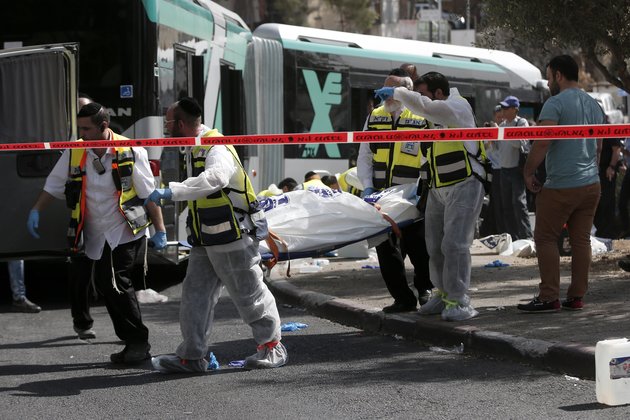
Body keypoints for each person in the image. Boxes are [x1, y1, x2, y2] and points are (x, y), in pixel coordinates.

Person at [147, 97, 287, 373]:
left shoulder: (216, 146)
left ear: (181, 124)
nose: (166, 130)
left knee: (250, 294)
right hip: (207, 238)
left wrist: (172, 191)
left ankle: (272, 347)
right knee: (195, 297)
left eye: (168, 124)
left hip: (233, 236)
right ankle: (191, 356)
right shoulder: (194, 147)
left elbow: (216, 179)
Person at [26, 102, 167, 363]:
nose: (82, 134)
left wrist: (160, 229)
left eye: (87, 129)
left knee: (116, 280)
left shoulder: (131, 149)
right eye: (79, 128)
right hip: (94, 232)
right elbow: (53, 185)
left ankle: (137, 342)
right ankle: (132, 341)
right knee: (106, 283)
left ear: (104, 126)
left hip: (125, 228)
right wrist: (36, 210)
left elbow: (149, 193)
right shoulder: (76, 151)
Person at [374, 71, 487, 321]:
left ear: (438, 93)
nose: (419, 101)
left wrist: (399, 92)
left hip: (464, 183)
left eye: (423, 94)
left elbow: (427, 107)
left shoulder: (457, 107)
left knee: (455, 245)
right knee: (434, 246)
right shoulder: (429, 116)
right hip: (437, 187)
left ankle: (458, 299)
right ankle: (443, 293)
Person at [518, 55, 605, 312]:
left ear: (558, 75)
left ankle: (549, 297)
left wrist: (528, 171)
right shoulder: (594, 104)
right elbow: (599, 146)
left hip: (561, 185)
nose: (547, 82)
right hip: (591, 184)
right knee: (581, 241)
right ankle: (576, 297)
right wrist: (592, 174)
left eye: (548, 76)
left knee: (545, 237)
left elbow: (543, 141)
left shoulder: (554, 104)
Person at [359, 71, 432, 313]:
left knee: (420, 248)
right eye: (384, 89)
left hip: (412, 196)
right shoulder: (375, 117)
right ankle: (403, 298)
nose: (386, 95)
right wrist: (367, 185)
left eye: (392, 90)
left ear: (407, 92)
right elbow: (365, 155)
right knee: (386, 250)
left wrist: (425, 190)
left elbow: (428, 156)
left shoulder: (421, 115)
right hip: (382, 197)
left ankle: (425, 290)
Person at [496, 95, 533, 240]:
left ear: (515, 109)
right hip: (504, 169)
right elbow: (498, 147)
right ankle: (512, 237)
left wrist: (503, 133)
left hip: (516, 170)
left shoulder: (521, 123)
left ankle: (527, 236)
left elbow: (520, 144)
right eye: (502, 107)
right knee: (506, 206)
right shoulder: (503, 126)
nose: (503, 111)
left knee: (518, 203)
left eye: (506, 108)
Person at [593, 119, 622, 239]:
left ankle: (608, 232)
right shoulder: (591, 128)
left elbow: (616, 150)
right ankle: (601, 231)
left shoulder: (608, 128)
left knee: (607, 201)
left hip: (606, 171)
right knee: (596, 202)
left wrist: (611, 167)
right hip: (595, 170)